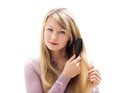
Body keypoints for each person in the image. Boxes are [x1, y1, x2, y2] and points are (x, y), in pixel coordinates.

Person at [24, 8, 101, 93]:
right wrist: (65, 76)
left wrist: (91, 88)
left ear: (70, 36)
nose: (53, 37)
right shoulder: (33, 66)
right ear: (44, 31)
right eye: (50, 29)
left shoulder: (85, 64)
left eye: (62, 32)